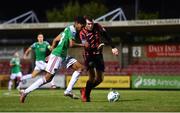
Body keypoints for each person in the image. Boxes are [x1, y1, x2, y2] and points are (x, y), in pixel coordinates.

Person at [19, 16, 86, 103]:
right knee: (48, 78)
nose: (82, 28)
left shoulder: (67, 29)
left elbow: (55, 40)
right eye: (82, 25)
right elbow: (71, 44)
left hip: (62, 55)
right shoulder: (72, 30)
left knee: (80, 68)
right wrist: (83, 45)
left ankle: (68, 91)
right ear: (77, 23)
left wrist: (50, 54)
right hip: (58, 55)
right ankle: (25, 92)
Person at [79, 16, 119, 102]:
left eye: (91, 23)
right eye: (88, 24)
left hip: (98, 55)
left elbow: (106, 35)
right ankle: (86, 96)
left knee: (100, 79)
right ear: (85, 24)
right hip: (88, 55)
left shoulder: (98, 26)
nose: (91, 25)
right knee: (92, 77)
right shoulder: (82, 33)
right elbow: (86, 46)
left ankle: (85, 90)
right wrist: (97, 47)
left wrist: (113, 47)